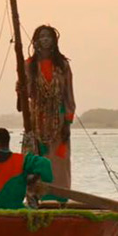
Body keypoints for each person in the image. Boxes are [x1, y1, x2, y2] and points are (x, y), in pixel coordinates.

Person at [21, 25, 76, 201]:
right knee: (36, 157)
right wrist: (20, 89)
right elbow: (24, 97)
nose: (45, 39)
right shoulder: (29, 65)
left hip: (58, 120)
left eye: (48, 36)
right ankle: (36, 198)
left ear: (54, 40)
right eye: (42, 36)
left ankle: (60, 198)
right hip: (37, 119)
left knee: (59, 161)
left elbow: (68, 95)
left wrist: (67, 122)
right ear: (35, 41)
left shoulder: (63, 65)